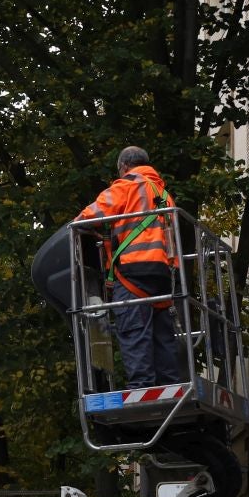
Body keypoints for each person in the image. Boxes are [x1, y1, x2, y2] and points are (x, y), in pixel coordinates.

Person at [78, 145, 183, 387]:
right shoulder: (164, 194)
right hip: (164, 274)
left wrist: (75, 227)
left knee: (134, 329)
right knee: (161, 334)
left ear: (124, 166)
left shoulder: (128, 184)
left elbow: (91, 214)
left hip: (135, 270)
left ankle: (141, 387)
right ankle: (169, 384)